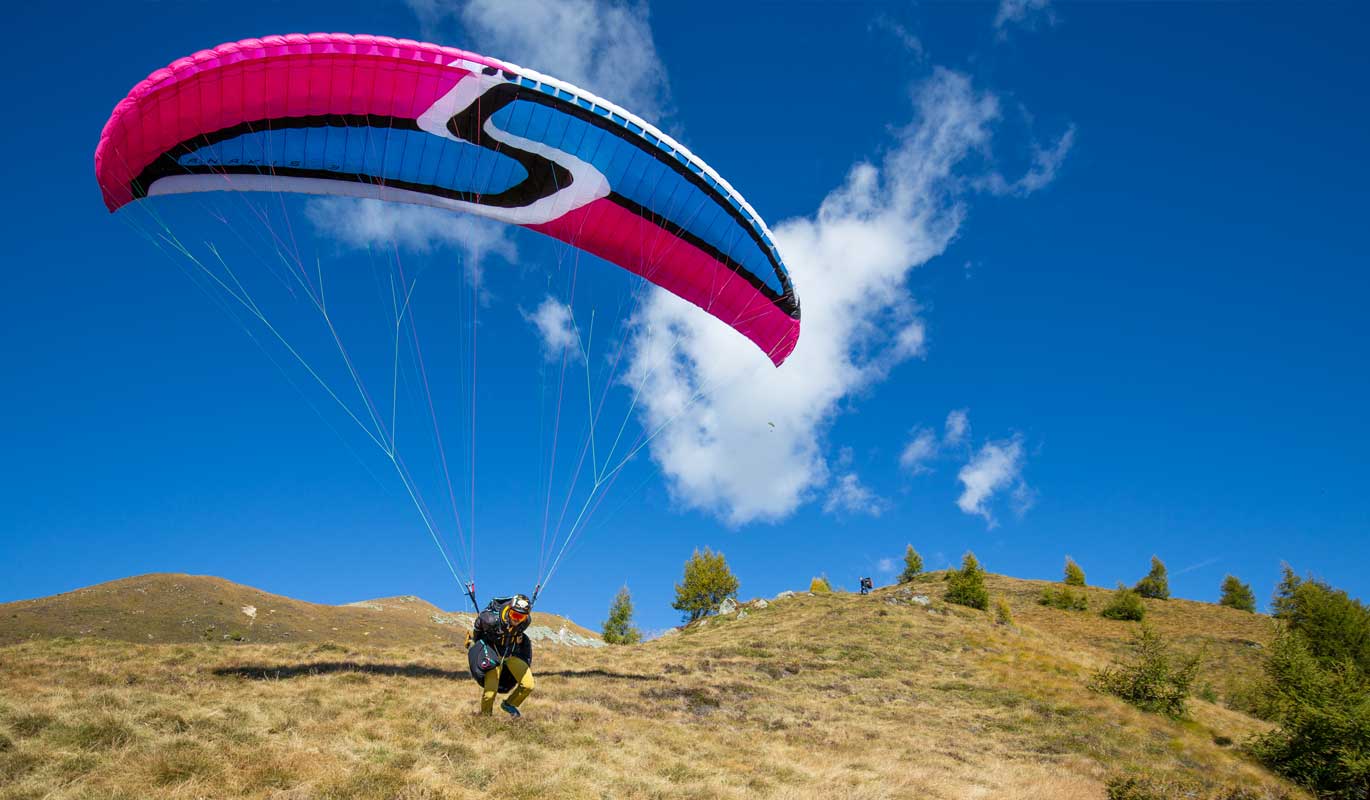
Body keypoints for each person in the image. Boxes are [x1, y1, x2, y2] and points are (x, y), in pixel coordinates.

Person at [466, 594, 535, 717]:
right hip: (493, 653)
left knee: (528, 685)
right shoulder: (490, 620)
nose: (517, 620)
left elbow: (519, 632)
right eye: (515, 615)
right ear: (509, 610)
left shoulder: (526, 622)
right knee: (490, 693)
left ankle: (509, 704)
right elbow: (478, 627)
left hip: (511, 655)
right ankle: (486, 719)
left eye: (521, 617)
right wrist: (477, 645)